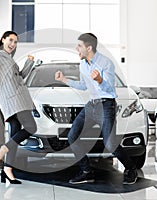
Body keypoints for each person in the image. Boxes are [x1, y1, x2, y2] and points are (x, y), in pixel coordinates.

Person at [55, 33, 138, 185]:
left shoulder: (106, 63)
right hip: (91, 105)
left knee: (110, 143)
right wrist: (64, 80)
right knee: (72, 136)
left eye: (79, 46)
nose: (76, 48)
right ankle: (86, 171)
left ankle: (131, 168)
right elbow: (83, 85)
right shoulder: (83, 64)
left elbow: (109, 88)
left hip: (106, 105)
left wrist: (100, 80)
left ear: (89, 47)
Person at [0, 31, 37, 184]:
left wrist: (29, 63)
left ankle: (7, 169)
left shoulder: (8, 58)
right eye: (11, 40)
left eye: (15, 42)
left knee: (15, 133)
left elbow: (19, 77)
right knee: (31, 127)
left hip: (16, 98)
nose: (13, 44)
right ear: (3, 39)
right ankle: (2, 151)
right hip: (14, 100)